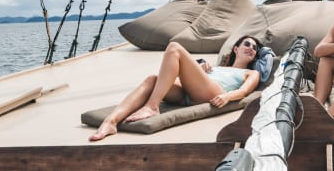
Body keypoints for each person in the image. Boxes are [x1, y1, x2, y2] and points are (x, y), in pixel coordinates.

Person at [89, 35, 262, 142]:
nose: (251, 49)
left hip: (214, 92)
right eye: (247, 44)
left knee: (174, 48)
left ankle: (152, 107)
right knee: (152, 80)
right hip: (192, 90)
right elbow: (174, 75)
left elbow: (244, 92)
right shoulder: (216, 66)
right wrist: (199, 69)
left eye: (255, 48)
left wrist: (227, 97)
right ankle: (110, 122)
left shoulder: (251, 72)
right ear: (236, 48)